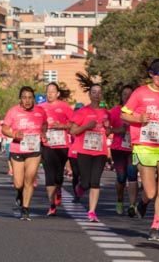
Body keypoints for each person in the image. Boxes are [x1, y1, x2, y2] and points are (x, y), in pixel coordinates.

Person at [121, 59, 159, 241]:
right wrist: (139, 118)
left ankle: (155, 227)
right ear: (150, 74)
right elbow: (124, 115)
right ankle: (144, 201)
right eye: (156, 73)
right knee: (150, 192)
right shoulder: (140, 93)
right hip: (144, 146)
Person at [1, 86, 47, 221]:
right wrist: (14, 133)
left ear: (34, 98)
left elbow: (44, 124)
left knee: (30, 179)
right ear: (20, 99)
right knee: (18, 184)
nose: (27, 100)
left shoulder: (40, 111)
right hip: (17, 149)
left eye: (30, 97)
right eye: (24, 97)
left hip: (34, 149)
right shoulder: (13, 111)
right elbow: (4, 128)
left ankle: (25, 209)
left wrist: (43, 132)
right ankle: (19, 193)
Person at [69, 75, 110, 223]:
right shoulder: (82, 112)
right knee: (85, 182)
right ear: (89, 94)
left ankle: (92, 211)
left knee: (95, 182)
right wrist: (86, 126)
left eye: (99, 92)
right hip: (84, 151)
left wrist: (108, 127)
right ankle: (80, 189)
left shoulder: (106, 112)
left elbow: (109, 132)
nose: (97, 95)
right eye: (94, 92)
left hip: (100, 151)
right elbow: (73, 131)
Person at [38, 81, 75, 217]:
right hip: (47, 144)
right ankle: (52, 205)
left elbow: (73, 124)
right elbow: (37, 123)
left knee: (58, 176)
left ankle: (58, 190)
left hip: (62, 145)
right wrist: (42, 132)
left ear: (58, 93)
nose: (50, 94)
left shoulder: (64, 107)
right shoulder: (40, 107)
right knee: (49, 175)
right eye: (48, 91)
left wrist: (62, 126)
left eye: (53, 91)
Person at [108, 85, 140, 216]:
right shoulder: (115, 111)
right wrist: (118, 130)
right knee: (121, 177)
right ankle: (120, 200)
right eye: (124, 94)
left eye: (129, 94)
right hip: (118, 148)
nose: (127, 96)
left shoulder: (138, 111)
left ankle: (132, 205)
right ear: (121, 96)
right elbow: (107, 129)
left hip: (134, 148)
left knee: (132, 175)